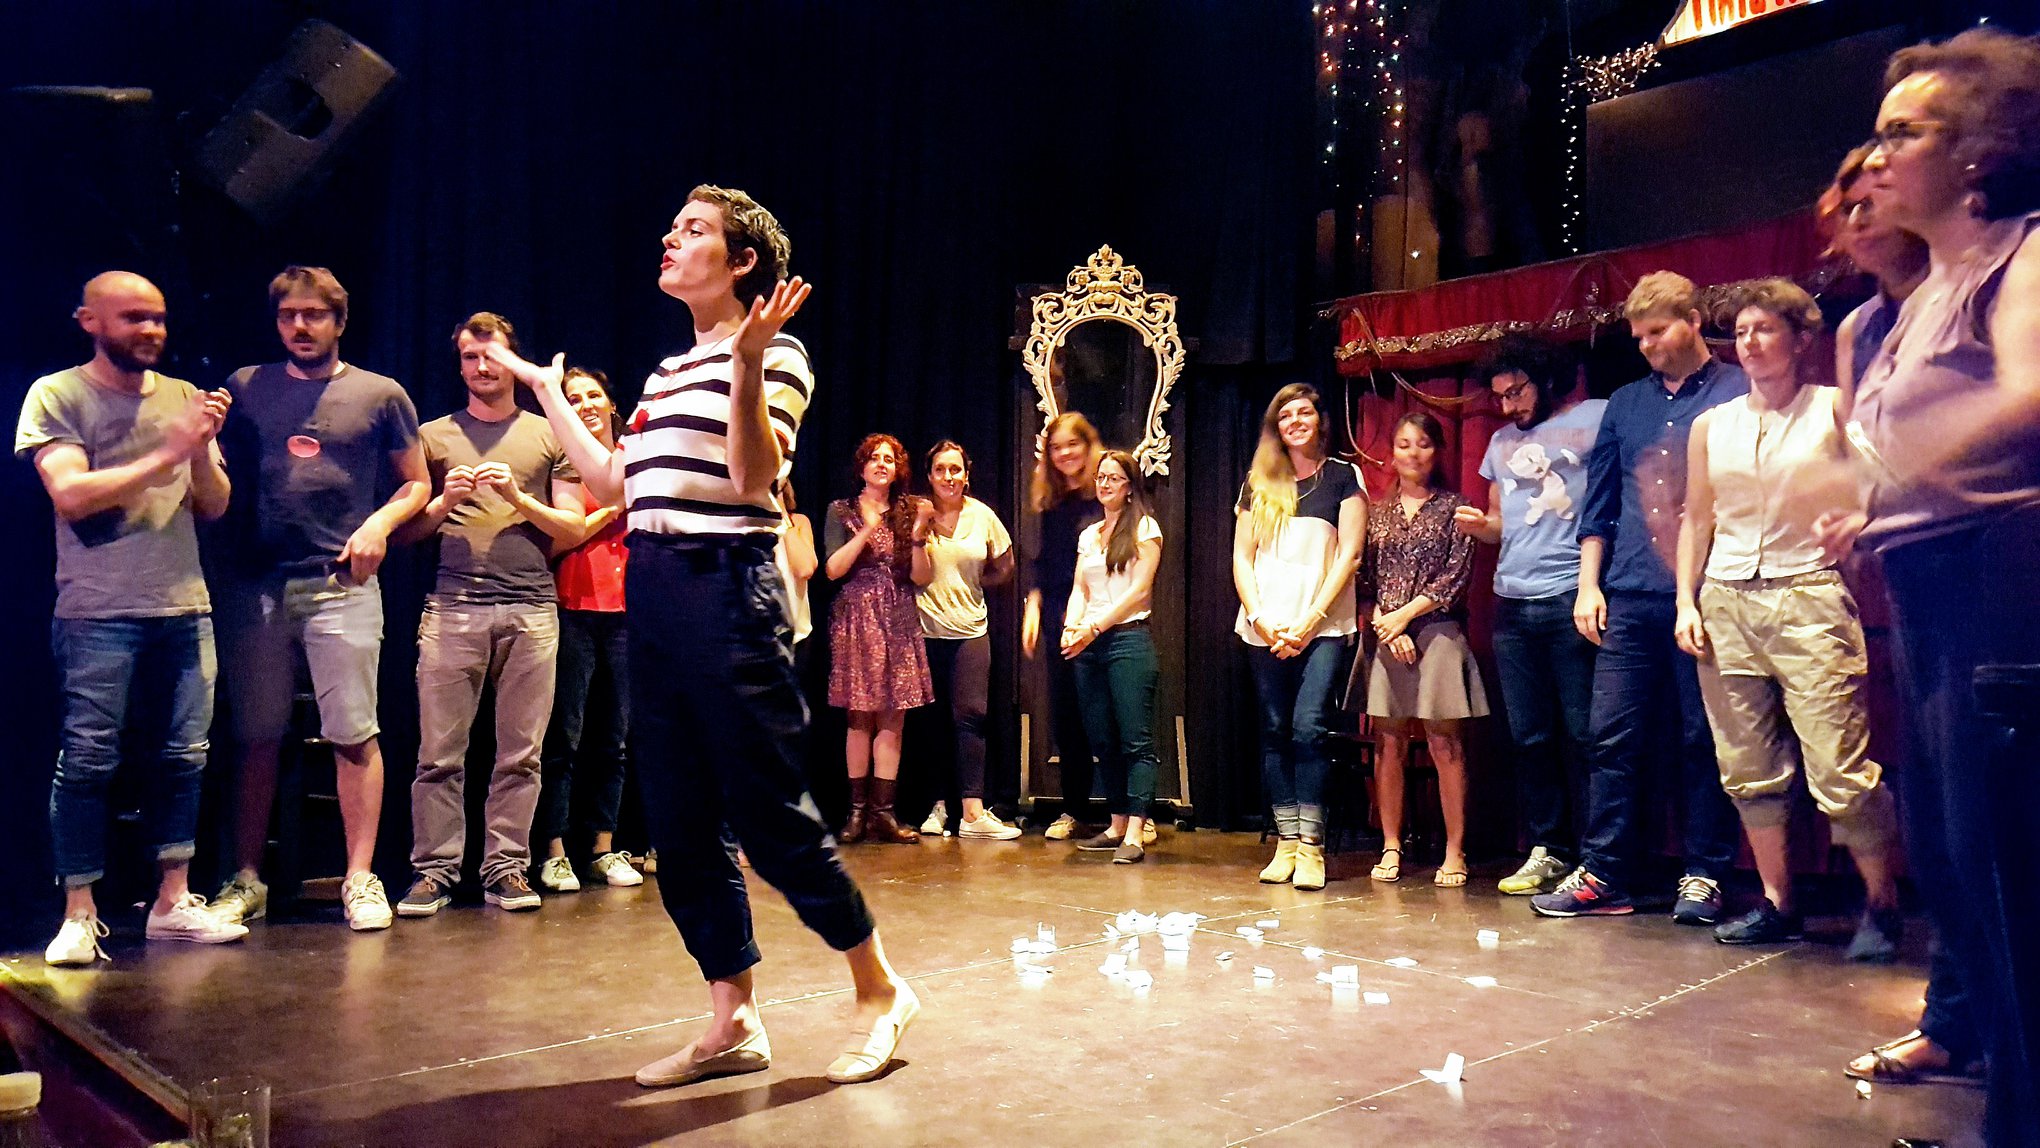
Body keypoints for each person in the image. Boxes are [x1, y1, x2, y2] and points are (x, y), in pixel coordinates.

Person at [486, 184, 917, 1088]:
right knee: (681, 821)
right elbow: (614, 482)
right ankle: (734, 1017)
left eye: (694, 230)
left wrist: (749, 363)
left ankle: (880, 990)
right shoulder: (667, 371)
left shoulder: (779, 352)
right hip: (655, 587)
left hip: (729, 589)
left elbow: (754, 477)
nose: (671, 238)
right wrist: (547, 395)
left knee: (769, 816)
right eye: (675, 227)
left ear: (742, 261)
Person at [1843, 30, 2040, 1143]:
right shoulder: (1922, 296)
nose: (1875, 159)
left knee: (2012, 879)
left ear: (1977, 151)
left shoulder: (2023, 252)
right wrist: (1858, 502)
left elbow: (2031, 392)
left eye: (1902, 134)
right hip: (1923, 592)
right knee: (1960, 868)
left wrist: (1890, 470)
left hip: (1996, 585)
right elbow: (1887, 450)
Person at [20, 271, 248, 964]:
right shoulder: (58, 394)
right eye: (134, 318)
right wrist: (169, 451)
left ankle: (174, 902)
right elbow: (71, 494)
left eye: (159, 318)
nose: (151, 331)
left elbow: (213, 504)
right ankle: (79, 911)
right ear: (89, 320)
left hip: (184, 604)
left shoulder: (181, 397)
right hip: (98, 609)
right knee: (89, 759)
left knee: (185, 757)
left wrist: (200, 448)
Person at [1672, 278, 1901, 953]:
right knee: (1746, 767)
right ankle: (1778, 902)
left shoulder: (1833, 408)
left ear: (1801, 340)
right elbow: (1697, 519)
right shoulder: (1712, 425)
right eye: (1741, 332)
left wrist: (1857, 518)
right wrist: (1686, 599)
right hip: (1726, 599)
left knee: (1839, 767)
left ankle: (1882, 905)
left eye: (1765, 329)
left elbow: (1882, 480)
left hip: (1808, 595)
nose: (1749, 343)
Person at [1822, 143, 1981, 1089]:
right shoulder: (1863, 327)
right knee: (1938, 817)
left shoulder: (1980, 280)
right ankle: (1955, 1019)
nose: (1861, 211)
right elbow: (1863, 457)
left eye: (1873, 190)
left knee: (1982, 815)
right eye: (1847, 201)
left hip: (1988, 564)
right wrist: (1853, 509)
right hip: (1914, 572)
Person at [212, 266, 430, 932]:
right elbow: (214, 475)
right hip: (257, 583)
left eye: (313, 315)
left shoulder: (380, 393)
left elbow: (416, 484)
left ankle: (360, 878)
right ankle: (246, 878)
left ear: (340, 320)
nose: (300, 327)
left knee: (354, 733)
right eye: (288, 316)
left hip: (342, 583)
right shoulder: (245, 387)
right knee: (255, 735)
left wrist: (378, 525)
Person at [1532, 272, 1746, 922]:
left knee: (1703, 738)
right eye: (1639, 336)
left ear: (1693, 319)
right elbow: (1599, 504)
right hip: (1628, 592)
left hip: (1710, 592)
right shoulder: (1625, 403)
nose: (1647, 345)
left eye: (1657, 332)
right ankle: (1605, 873)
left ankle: (1705, 874)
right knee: (1611, 737)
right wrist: (1587, 585)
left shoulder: (1739, 390)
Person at [390, 314, 577, 917]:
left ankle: (506, 869)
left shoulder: (549, 433)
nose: (481, 367)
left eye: (491, 355)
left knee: (521, 755)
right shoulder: (433, 435)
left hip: (532, 607)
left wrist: (519, 497)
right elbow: (403, 534)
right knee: (438, 755)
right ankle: (434, 873)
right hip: (453, 607)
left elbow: (573, 526)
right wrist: (445, 500)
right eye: (470, 357)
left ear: (512, 360)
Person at [1456, 338, 1605, 896]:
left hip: (1571, 595)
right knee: (1530, 736)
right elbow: (1501, 522)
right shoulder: (1500, 442)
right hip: (1512, 601)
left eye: (1516, 392)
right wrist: (1482, 527)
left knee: (1584, 734)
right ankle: (1550, 848)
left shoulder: (1594, 417)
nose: (1508, 406)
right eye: (1499, 396)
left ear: (1544, 379)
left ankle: (1598, 855)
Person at [1232, 384, 1365, 891]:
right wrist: (1260, 617)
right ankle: (1286, 843)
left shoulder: (1343, 476)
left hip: (1322, 626)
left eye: (1304, 412)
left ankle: (1312, 847)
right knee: (1274, 730)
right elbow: (1242, 558)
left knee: (1308, 728)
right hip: (1265, 627)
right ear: (1276, 427)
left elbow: (1350, 555)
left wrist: (1310, 620)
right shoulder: (1258, 483)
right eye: (1285, 415)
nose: (1295, 422)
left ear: (1319, 419)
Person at [1356, 411, 1487, 887]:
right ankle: (1391, 844)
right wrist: (1389, 626)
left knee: (1444, 742)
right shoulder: (1376, 512)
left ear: (1437, 451)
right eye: (1404, 444)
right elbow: (1363, 579)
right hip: (1388, 633)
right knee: (1388, 741)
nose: (1413, 453)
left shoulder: (1456, 508)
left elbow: (1454, 578)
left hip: (1439, 630)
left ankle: (1454, 850)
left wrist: (1404, 617)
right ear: (1391, 454)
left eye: (1423, 444)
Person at [534, 367, 642, 894]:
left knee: (615, 738)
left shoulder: (633, 457)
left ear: (611, 403)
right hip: (573, 607)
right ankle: (554, 851)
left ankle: (603, 846)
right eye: (572, 398)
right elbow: (555, 541)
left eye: (593, 395)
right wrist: (610, 512)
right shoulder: (561, 459)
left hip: (628, 611)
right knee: (564, 736)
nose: (584, 405)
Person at [824, 433, 935, 844]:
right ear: (862, 466)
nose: (882, 464)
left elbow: (922, 577)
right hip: (858, 617)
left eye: (889, 458)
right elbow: (833, 569)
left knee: (893, 716)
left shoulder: (910, 510)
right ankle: (856, 812)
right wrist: (866, 530)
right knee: (859, 716)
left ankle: (882, 813)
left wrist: (920, 533)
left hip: (898, 616)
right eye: (874, 458)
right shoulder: (842, 509)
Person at [1023, 413, 1125, 842]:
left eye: (1072, 444)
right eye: (1056, 447)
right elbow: (1044, 563)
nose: (1064, 453)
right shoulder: (1054, 503)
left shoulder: (1106, 497)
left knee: (1112, 716)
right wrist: (1033, 605)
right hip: (1060, 618)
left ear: (1088, 445)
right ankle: (1075, 810)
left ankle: (1131, 814)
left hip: (1105, 615)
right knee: (1067, 716)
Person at [915, 440, 1021, 840]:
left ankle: (973, 813)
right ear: (930, 476)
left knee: (971, 716)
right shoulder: (917, 512)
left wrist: (975, 585)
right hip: (924, 631)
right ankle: (938, 807)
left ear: (967, 473)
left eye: (955, 469)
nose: (949, 477)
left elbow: (1006, 564)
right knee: (932, 721)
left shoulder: (982, 515)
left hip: (970, 631)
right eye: (941, 469)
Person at [1063, 450, 1165, 864]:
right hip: (1089, 643)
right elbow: (1080, 588)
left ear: (1129, 487)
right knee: (1102, 738)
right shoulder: (1090, 535)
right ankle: (1116, 823)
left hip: (1127, 640)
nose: (1104, 484)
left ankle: (1137, 831)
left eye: (1114, 478)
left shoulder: (1144, 527)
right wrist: (1072, 626)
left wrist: (1095, 627)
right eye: (1100, 477)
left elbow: (1139, 591)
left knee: (1134, 740)